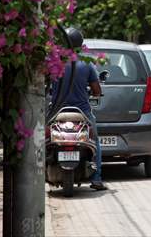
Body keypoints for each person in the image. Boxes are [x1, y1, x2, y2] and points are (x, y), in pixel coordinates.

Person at [51, 29, 106, 191]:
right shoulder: (87, 63)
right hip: (82, 112)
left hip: (56, 112)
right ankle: (97, 178)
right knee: (95, 142)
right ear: (80, 44)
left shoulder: (54, 62)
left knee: (44, 140)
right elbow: (97, 90)